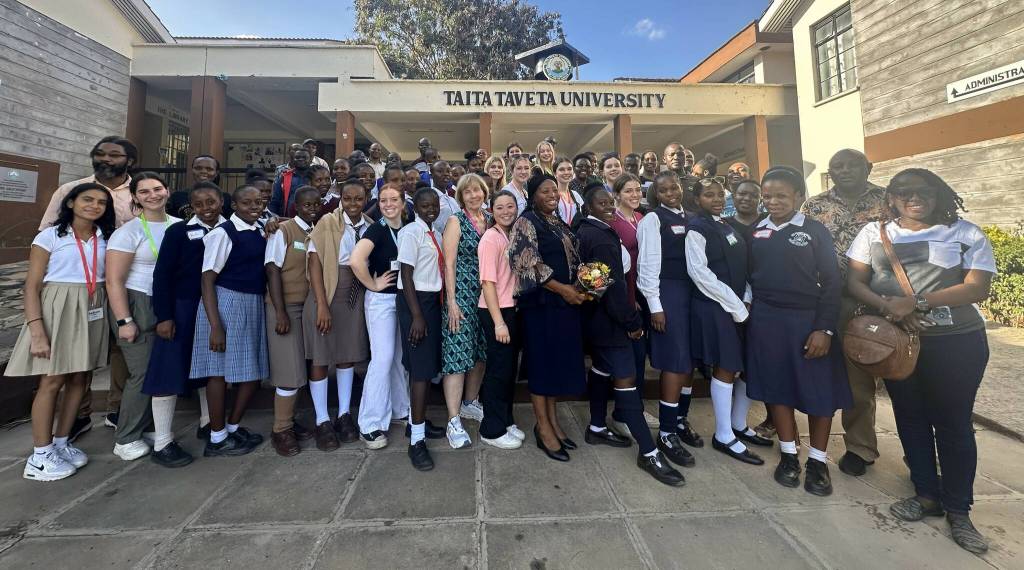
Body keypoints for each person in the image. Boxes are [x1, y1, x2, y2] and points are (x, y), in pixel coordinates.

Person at [846, 169, 995, 554]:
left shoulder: (965, 232)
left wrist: (919, 301)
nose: (915, 199)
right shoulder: (873, 234)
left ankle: (959, 510)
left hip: (956, 342)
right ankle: (926, 493)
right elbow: (855, 281)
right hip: (896, 345)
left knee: (953, 422)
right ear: (891, 197)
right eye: (905, 193)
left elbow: (978, 286)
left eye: (924, 192)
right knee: (909, 416)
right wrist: (888, 307)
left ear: (938, 194)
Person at [744, 166, 850, 496]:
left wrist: (824, 329)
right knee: (777, 388)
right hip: (767, 320)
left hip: (808, 320)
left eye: (781, 196)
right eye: (768, 196)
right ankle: (789, 455)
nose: (773, 202)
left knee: (819, 392)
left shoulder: (814, 231)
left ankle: (818, 462)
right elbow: (749, 276)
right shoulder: (756, 230)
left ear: (799, 197)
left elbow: (832, 283)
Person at [576, 186, 685, 485]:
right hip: (610, 322)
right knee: (626, 380)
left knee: (601, 370)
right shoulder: (600, 239)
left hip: (596, 319)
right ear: (588, 206)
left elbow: (594, 284)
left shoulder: (589, 231)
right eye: (602, 203)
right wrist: (631, 321)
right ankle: (648, 452)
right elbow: (608, 288)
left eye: (610, 202)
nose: (609, 207)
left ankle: (597, 427)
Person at [7, 183, 114, 481]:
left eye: (101, 202)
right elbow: (31, 286)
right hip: (58, 307)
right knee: (52, 379)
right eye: (87, 200)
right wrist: (37, 329)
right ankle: (40, 455)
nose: (94, 206)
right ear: (70, 203)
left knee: (81, 376)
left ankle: (61, 442)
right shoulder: (50, 236)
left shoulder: (103, 237)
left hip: (93, 305)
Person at [39, 136, 136, 440]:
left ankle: (117, 407)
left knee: (122, 345)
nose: (106, 159)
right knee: (78, 352)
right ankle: (79, 415)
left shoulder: (138, 192)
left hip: (124, 283)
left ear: (129, 161)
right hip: (76, 286)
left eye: (114, 155)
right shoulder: (70, 190)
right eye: (100, 154)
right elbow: (47, 234)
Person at [801, 148, 888, 477]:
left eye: (853, 164)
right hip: (825, 297)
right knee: (822, 368)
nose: (845, 170)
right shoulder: (815, 205)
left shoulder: (888, 201)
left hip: (871, 300)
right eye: (838, 166)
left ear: (869, 166)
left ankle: (860, 447)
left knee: (861, 376)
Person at [685, 176, 768, 465]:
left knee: (745, 364)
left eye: (720, 194)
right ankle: (723, 435)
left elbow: (743, 268)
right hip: (715, 307)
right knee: (727, 365)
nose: (717, 199)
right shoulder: (697, 227)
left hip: (739, 305)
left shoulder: (728, 225)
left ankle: (739, 424)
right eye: (709, 195)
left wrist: (745, 296)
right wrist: (736, 305)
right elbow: (700, 274)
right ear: (697, 200)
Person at [509, 173, 588, 462]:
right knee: (542, 366)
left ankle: (554, 421)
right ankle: (542, 428)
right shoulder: (526, 220)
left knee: (556, 365)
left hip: (565, 305)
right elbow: (526, 261)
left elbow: (573, 257)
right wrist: (563, 289)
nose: (552, 194)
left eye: (555, 190)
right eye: (545, 190)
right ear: (533, 195)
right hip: (542, 305)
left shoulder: (557, 221)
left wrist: (583, 285)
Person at [145, 183, 225, 465]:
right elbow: (162, 275)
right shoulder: (178, 232)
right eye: (199, 204)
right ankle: (163, 441)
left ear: (221, 201)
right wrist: (164, 316)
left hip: (216, 308)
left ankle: (207, 421)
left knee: (209, 365)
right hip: (183, 307)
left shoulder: (230, 228)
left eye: (211, 202)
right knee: (169, 369)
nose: (207, 208)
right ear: (192, 206)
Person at [105, 173, 182, 463]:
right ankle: (125, 437)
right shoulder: (129, 231)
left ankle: (143, 426)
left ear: (167, 191)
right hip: (137, 302)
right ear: (135, 197)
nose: (153, 195)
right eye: (145, 191)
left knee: (158, 368)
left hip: (167, 303)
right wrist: (124, 320)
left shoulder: (178, 225)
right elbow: (114, 280)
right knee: (142, 372)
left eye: (158, 189)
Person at [189, 185, 268, 457]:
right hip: (225, 302)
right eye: (246, 203)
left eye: (258, 201)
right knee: (218, 372)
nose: (254, 207)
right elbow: (207, 279)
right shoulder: (223, 234)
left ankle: (232, 428)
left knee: (250, 371)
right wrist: (215, 325)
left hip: (252, 302)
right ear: (233, 205)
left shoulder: (260, 228)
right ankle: (217, 436)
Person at [637, 171, 699, 469]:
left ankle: (680, 419)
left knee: (689, 363)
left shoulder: (691, 217)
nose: (671, 192)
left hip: (693, 294)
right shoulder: (653, 219)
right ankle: (666, 432)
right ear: (656, 195)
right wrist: (654, 305)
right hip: (668, 293)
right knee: (675, 363)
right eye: (663, 190)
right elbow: (647, 264)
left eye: (674, 187)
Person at [306, 179, 373, 447]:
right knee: (322, 358)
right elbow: (313, 263)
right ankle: (322, 419)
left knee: (347, 356)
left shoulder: (369, 224)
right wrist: (322, 304)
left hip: (355, 295)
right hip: (328, 291)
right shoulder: (327, 223)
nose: (354, 204)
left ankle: (344, 414)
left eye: (359, 198)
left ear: (366, 198)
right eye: (348, 199)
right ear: (340, 199)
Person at [351, 184, 412, 449]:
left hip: (402, 300)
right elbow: (356, 260)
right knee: (383, 359)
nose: (388, 204)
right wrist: (372, 284)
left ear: (402, 202)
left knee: (399, 358)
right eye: (384, 200)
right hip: (381, 302)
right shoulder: (376, 229)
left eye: (394, 199)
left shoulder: (407, 228)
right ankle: (370, 424)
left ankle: (400, 409)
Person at [265, 188, 320, 457]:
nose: (311, 207)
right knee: (289, 371)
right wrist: (280, 311)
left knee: (299, 367)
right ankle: (280, 430)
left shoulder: (315, 230)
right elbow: (272, 268)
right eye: (305, 204)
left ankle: (289, 420)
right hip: (285, 308)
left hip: (306, 308)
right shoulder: (284, 231)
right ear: (295, 205)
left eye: (315, 203)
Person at [397, 188, 447, 471]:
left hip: (431, 303)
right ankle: (416, 441)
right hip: (415, 303)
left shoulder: (435, 233)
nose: (431, 209)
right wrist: (417, 316)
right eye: (425, 205)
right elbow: (406, 274)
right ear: (415, 206)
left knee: (427, 369)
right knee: (419, 371)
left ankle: (418, 423)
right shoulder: (411, 233)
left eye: (434, 205)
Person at [440, 174, 491, 448]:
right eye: (468, 192)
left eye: (477, 191)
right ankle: (453, 419)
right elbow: (448, 264)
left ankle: (471, 402)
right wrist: (451, 302)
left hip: (487, 296)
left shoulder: (491, 220)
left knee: (481, 352)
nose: (473, 195)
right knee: (457, 354)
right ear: (461, 196)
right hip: (461, 294)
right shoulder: (455, 221)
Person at [605, 174, 658, 432]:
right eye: (628, 191)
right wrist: (628, 300)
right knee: (630, 356)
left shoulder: (642, 218)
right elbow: (616, 267)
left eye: (638, 190)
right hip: (625, 296)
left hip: (644, 292)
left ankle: (636, 408)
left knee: (640, 357)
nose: (635, 195)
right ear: (616, 194)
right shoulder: (612, 221)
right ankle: (624, 412)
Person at [477, 191, 526, 449]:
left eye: (510, 206)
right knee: (497, 372)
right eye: (500, 207)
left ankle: (505, 420)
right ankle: (491, 429)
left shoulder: (511, 235)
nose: (506, 211)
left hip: (512, 308)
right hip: (496, 311)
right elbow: (487, 283)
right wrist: (499, 322)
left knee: (509, 371)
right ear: (492, 210)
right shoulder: (490, 238)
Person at [167, 155, 234, 219]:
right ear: (192, 170)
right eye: (198, 168)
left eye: (209, 169)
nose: (203, 171)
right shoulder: (178, 196)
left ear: (216, 173)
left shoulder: (226, 198)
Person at [269, 148, 312, 217]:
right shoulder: (284, 178)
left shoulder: (316, 177)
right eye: (297, 157)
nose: (301, 159)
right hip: (288, 220)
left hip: (313, 220)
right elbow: (275, 201)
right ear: (293, 160)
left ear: (310, 160)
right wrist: (273, 217)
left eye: (304, 157)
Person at [428, 161, 461, 233]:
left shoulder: (452, 200)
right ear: (431, 175)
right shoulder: (428, 198)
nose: (446, 174)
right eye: (440, 171)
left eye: (448, 171)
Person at [553, 156, 583, 226]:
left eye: (569, 169)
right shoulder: (551, 196)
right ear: (555, 173)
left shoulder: (576, 195)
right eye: (562, 170)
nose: (566, 172)